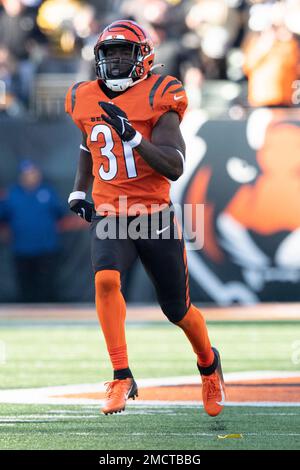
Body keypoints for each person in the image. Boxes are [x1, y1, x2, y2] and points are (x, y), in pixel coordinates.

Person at [65, 19, 225, 416]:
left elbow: (174, 166)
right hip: (110, 212)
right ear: (98, 58)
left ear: (144, 57)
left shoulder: (161, 93)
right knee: (105, 280)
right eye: (110, 53)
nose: (117, 60)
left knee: (178, 311)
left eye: (125, 52)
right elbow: (89, 143)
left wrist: (134, 136)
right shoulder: (83, 96)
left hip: (153, 214)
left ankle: (208, 364)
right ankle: (121, 375)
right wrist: (78, 189)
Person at [0, 160, 65, 302]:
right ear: (21, 176)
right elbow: (3, 216)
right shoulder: (12, 193)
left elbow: (60, 212)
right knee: (25, 286)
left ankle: (48, 314)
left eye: (33, 173)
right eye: (27, 174)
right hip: (21, 248)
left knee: (46, 285)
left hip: (46, 247)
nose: (30, 176)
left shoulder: (47, 191)